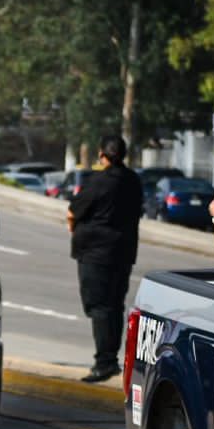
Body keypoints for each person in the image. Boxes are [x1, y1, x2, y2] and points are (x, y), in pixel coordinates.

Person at [67, 135, 142, 383]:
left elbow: (72, 212)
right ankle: (111, 358)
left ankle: (104, 363)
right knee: (114, 306)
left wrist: (75, 229)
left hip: (95, 253)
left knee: (98, 306)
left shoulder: (97, 181)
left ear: (102, 155)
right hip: (123, 253)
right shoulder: (133, 181)